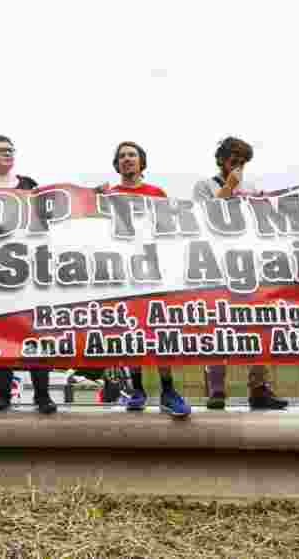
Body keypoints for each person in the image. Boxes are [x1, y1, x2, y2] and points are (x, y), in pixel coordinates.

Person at [192, 137, 288, 411]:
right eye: (234, 159)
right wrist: (229, 187)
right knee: (218, 326)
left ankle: (259, 388)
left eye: (243, 161)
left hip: (249, 265)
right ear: (222, 159)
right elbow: (202, 219)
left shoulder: (253, 188)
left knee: (258, 325)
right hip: (215, 266)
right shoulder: (204, 187)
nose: (238, 165)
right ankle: (217, 390)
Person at [98, 141, 192, 418]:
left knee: (158, 330)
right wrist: (94, 199)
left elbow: (168, 230)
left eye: (132, 155)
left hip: (153, 271)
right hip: (122, 272)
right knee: (132, 331)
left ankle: (168, 390)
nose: (127, 159)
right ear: (117, 164)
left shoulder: (156, 193)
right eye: (122, 156)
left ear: (141, 162)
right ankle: (137, 390)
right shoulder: (109, 194)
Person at [0, 135, 56, 414]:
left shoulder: (28, 184)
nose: (8, 154)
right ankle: (3, 394)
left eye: (11, 150)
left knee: (35, 334)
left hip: (27, 270)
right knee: (0, 332)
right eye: (2, 150)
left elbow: (49, 215)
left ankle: (42, 396)